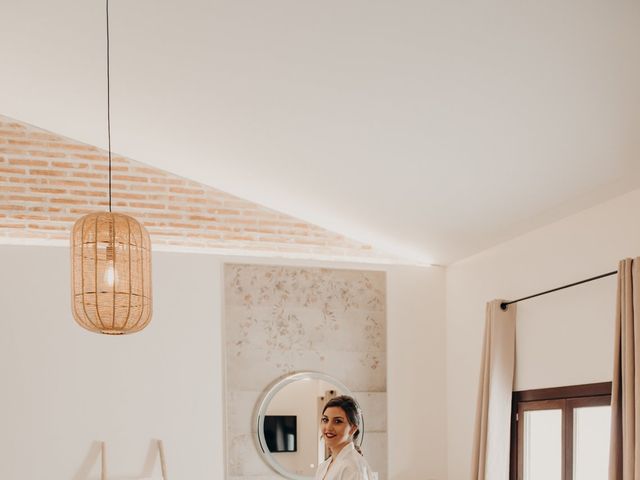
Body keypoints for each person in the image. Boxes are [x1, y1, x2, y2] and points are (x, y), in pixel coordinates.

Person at [315, 395, 375, 480]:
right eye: (325, 420)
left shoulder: (353, 468)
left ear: (353, 429)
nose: (328, 427)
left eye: (337, 421)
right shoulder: (323, 467)